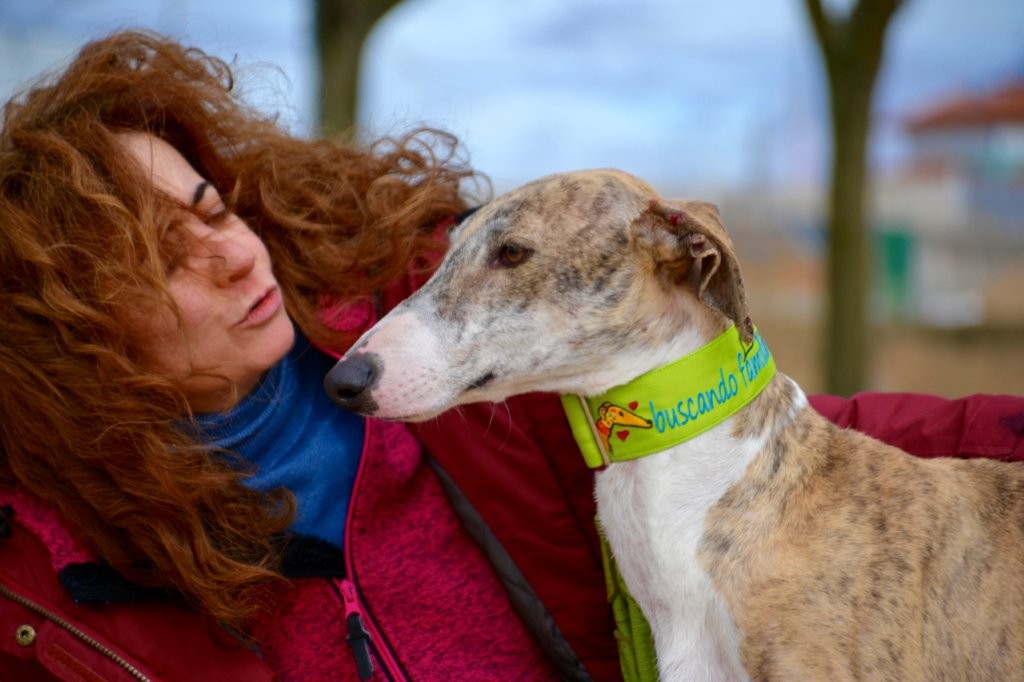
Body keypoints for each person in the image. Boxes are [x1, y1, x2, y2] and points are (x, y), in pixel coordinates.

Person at [0, 30, 1021, 682]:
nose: (230, 253)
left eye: (210, 206)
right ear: (75, 342)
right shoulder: (51, 584)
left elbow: (783, 451)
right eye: (165, 262)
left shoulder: (475, 357)